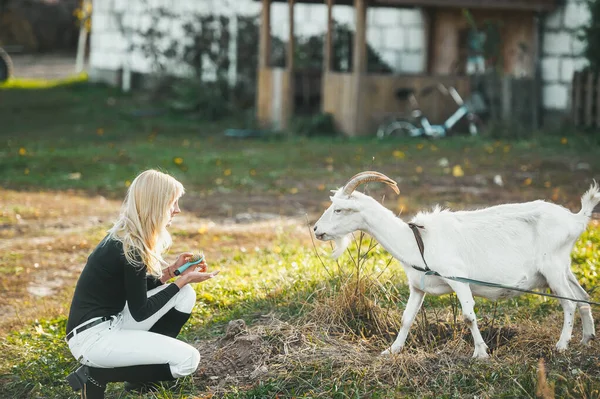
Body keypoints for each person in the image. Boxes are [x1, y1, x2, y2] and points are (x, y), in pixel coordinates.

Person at [64, 169, 219, 399]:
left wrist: (173, 272)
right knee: (188, 360)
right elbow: (141, 311)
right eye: (172, 203)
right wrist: (182, 280)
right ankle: (96, 375)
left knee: (185, 295)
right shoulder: (130, 247)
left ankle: (140, 381)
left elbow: (136, 290)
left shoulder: (127, 238)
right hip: (92, 338)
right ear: (155, 205)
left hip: (110, 323)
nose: (177, 210)